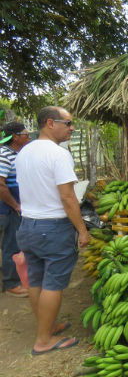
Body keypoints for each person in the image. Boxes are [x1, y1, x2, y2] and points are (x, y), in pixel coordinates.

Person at [15, 106, 90, 355]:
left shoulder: (25, 151)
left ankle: (47, 327)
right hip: (52, 227)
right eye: (68, 123)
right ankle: (44, 341)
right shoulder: (58, 154)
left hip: (28, 224)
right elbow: (68, 197)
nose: (72, 128)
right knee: (54, 284)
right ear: (50, 123)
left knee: (36, 280)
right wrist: (82, 230)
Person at [0, 122, 31, 297]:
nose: (28, 136)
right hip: (7, 208)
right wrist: (15, 205)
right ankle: (11, 283)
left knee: (11, 242)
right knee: (11, 245)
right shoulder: (4, 155)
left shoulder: (16, 154)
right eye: (25, 133)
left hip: (13, 207)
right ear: (15, 137)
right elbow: (0, 185)